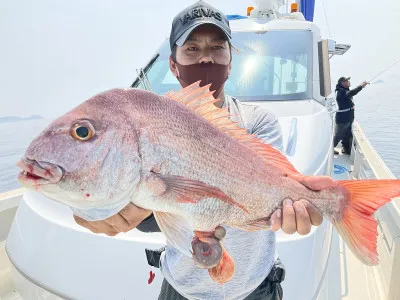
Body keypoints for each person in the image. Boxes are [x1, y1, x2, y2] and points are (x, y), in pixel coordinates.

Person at [74, 1, 332, 299]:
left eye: (217, 48)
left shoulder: (258, 121)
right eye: (192, 49)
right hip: (180, 288)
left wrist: (294, 203)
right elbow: (144, 191)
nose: (206, 59)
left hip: (254, 288)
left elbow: (268, 189)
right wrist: (97, 203)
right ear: (173, 63)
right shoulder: (153, 125)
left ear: (230, 61)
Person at [333, 76, 368, 154]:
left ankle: (347, 149)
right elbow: (352, 93)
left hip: (348, 118)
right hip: (343, 119)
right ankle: (329, 149)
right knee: (339, 135)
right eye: (347, 80)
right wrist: (361, 86)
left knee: (348, 135)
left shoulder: (344, 90)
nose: (349, 81)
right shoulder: (341, 92)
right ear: (342, 83)